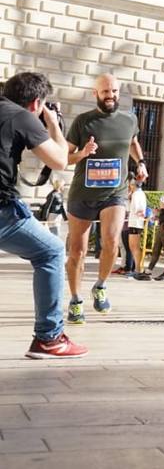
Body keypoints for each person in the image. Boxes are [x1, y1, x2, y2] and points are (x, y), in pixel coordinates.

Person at [1, 71, 88, 358]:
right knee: (50, 251)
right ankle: (49, 339)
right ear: (36, 102)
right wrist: (52, 123)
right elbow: (60, 160)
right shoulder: (22, 116)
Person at [63, 73, 147, 322]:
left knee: (111, 241)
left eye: (114, 92)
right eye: (105, 92)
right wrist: (83, 153)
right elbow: (64, 157)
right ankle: (76, 300)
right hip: (83, 194)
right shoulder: (83, 122)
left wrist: (140, 162)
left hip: (115, 192)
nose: (110, 96)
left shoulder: (129, 119)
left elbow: (132, 142)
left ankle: (100, 286)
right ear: (95, 93)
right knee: (77, 251)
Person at [126, 177, 150, 279]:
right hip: (135, 222)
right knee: (133, 246)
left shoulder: (136, 194)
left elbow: (135, 208)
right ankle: (137, 268)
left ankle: (138, 269)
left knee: (134, 246)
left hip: (135, 222)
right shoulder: (140, 194)